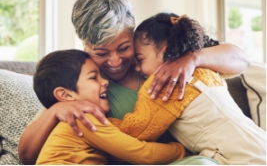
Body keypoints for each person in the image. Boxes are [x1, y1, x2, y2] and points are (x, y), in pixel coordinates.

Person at [18, 0, 250, 164]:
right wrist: (54, 111)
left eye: (124, 48)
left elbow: (241, 60)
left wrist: (192, 59)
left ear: (133, 33)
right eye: (101, 53)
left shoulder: (160, 55)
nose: (115, 61)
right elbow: (27, 156)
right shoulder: (81, 86)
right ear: (85, 47)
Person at [107, 12, 266, 165]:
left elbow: (136, 131)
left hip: (235, 157)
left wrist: (97, 121)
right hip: (259, 142)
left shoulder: (163, 84)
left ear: (165, 52)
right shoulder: (206, 70)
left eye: (140, 59)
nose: (137, 68)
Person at [34, 49, 185, 165]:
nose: (105, 82)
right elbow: (143, 154)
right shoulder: (83, 119)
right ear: (65, 95)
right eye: (94, 77)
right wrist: (182, 150)